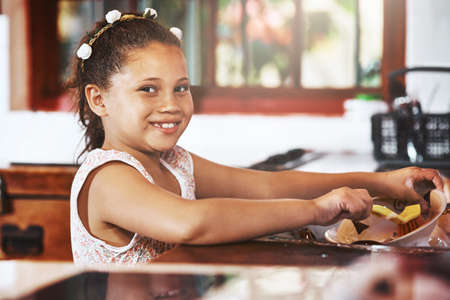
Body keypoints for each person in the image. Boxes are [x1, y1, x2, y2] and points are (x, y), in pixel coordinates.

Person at [68, 9, 444, 265]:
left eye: (181, 88)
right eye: (148, 89)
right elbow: (193, 222)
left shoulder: (174, 161)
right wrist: (318, 209)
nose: (171, 104)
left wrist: (380, 182)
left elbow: (269, 185)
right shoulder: (108, 178)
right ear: (98, 99)